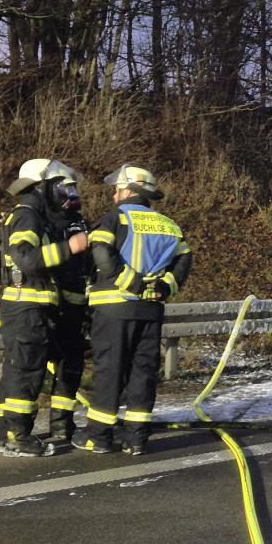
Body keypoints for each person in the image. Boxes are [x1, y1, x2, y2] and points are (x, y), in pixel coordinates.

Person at [74, 165, 192, 455]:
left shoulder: (115, 219)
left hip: (115, 308)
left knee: (110, 371)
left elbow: (100, 251)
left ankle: (99, 437)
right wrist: (164, 287)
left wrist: (130, 282)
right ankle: (136, 438)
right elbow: (184, 259)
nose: (114, 194)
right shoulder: (168, 224)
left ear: (128, 191)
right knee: (143, 372)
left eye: (118, 189)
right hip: (151, 310)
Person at [0, 159, 89, 456]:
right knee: (27, 371)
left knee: (20, 370)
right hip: (27, 306)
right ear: (42, 185)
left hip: (32, 307)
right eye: (59, 186)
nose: (65, 192)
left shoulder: (35, 215)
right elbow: (25, 257)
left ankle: (8, 434)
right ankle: (17, 436)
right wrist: (68, 248)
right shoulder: (27, 216)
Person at [43, 164, 91, 447]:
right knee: (36, 368)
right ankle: (19, 428)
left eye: (73, 189)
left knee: (70, 366)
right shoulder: (40, 220)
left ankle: (62, 423)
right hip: (46, 306)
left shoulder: (79, 221)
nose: (71, 195)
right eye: (65, 189)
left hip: (74, 306)